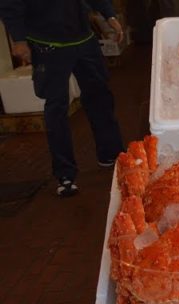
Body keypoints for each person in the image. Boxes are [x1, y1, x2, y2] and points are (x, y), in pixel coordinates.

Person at [0, 0, 126, 197]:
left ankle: (112, 155)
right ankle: (65, 174)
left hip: (83, 39)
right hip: (47, 45)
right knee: (56, 108)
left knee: (101, 97)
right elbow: (10, 4)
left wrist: (109, 15)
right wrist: (18, 39)